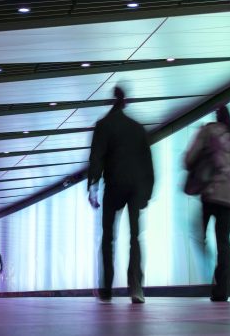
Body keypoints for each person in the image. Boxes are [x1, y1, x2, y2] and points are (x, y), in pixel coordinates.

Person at [87, 86, 154, 304]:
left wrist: (93, 187)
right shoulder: (137, 128)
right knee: (135, 236)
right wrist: (147, 192)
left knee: (109, 237)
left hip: (114, 185)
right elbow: (147, 161)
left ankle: (106, 286)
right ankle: (136, 287)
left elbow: (96, 157)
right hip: (135, 187)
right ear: (125, 103)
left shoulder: (103, 125)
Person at [184, 105, 230, 302]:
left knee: (199, 236)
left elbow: (188, 160)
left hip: (210, 194)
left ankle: (211, 272)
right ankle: (222, 289)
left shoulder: (207, 131)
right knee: (224, 243)